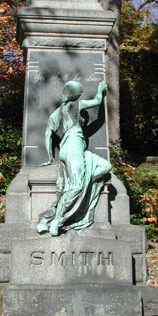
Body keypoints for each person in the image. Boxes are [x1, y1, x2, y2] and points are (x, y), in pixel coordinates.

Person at [36, 81, 112, 236]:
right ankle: (56, 221)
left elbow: (48, 135)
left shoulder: (55, 114)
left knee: (105, 167)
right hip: (74, 148)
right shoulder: (74, 105)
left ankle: (80, 192)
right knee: (76, 187)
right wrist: (99, 92)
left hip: (69, 151)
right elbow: (97, 103)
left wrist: (51, 158)